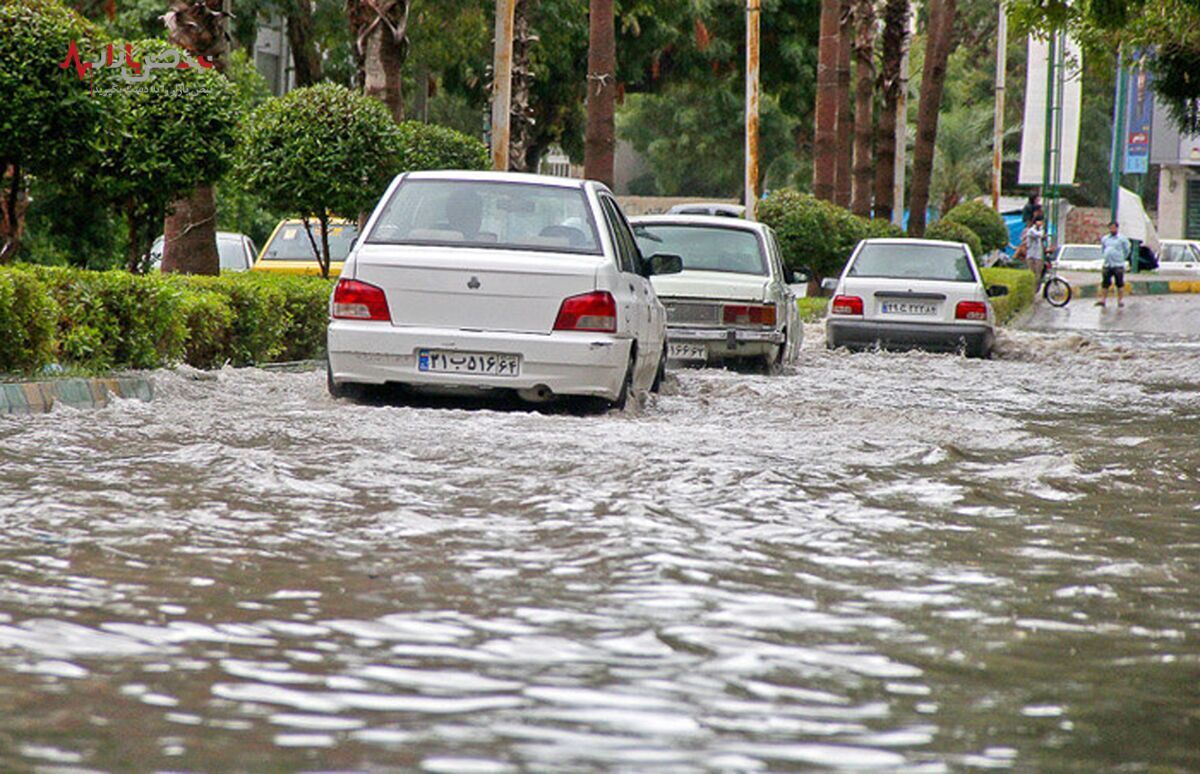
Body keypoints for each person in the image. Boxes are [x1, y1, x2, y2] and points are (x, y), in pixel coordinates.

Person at [1097, 221, 1131, 308]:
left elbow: (1127, 250)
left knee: (1119, 283)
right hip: (1108, 264)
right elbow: (1103, 249)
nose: (1112, 229)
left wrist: (1121, 258)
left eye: (1114, 228)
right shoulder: (1105, 238)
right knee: (1105, 283)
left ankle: (1120, 300)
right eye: (1111, 228)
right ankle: (1103, 300)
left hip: (1118, 264)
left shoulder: (1122, 239)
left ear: (1117, 228)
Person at [1021, 215, 1048, 283]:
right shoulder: (1031, 230)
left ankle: (1036, 290)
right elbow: (1039, 234)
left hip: (1038, 256)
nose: (1041, 223)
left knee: (1038, 275)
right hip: (1031, 256)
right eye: (1040, 221)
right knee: (1032, 275)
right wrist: (1042, 229)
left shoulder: (1038, 231)